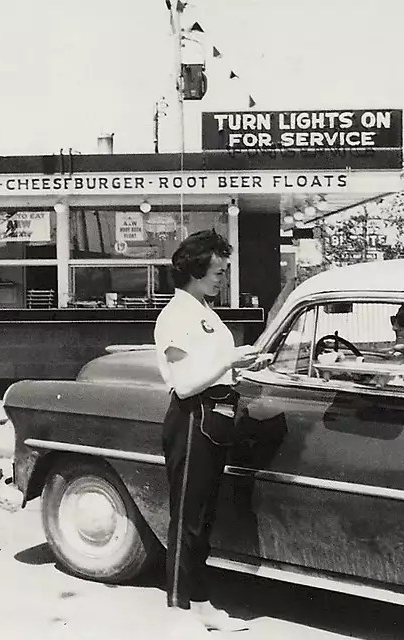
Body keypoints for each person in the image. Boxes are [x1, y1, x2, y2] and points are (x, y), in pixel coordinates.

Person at [154, 229, 259, 633]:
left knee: (204, 515)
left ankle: (200, 604)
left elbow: (210, 371)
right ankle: (179, 612)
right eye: (218, 271)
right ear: (196, 271)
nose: (222, 278)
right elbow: (184, 384)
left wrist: (240, 366)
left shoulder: (203, 312)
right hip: (192, 419)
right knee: (188, 517)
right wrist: (229, 359)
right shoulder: (176, 316)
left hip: (213, 420)